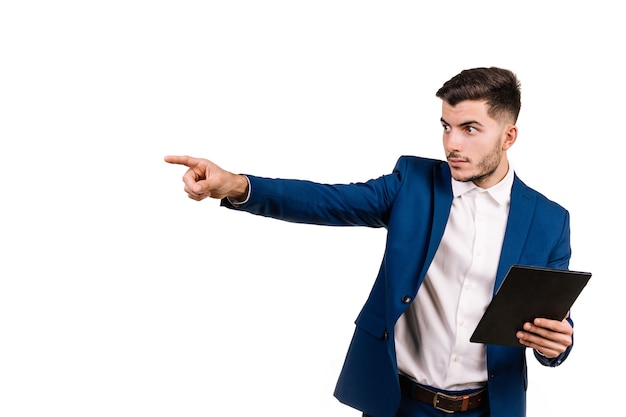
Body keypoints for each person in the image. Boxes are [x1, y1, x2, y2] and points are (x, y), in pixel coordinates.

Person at [164, 67, 575, 417]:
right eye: (446, 127)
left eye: (470, 129)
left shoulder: (550, 221)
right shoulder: (412, 185)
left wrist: (558, 342)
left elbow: (550, 315)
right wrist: (237, 185)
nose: (452, 143)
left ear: (508, 136)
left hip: (490, 407)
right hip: (399, 403)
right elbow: (327, 201)